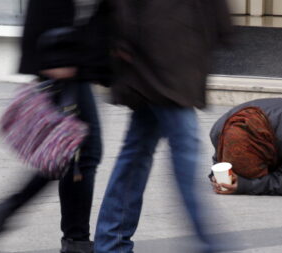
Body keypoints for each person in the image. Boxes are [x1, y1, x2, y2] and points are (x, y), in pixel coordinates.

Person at [94, 0, 232, 252]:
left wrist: (219, 29)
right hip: (157, 61)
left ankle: (110, 242)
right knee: (184, 149)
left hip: (173, 59)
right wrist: (124, 40)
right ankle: (210, 246)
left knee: (136, 152)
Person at [0, 0, 111, 252]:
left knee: (74, 154)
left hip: (68, 51)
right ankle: (72, 238)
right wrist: (56, 56)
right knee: (77, 152)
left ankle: (71, 237)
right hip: (63, 53)